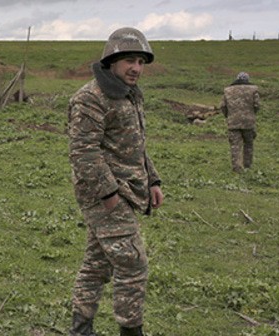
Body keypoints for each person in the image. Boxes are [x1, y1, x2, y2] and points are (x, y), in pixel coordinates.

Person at [67, 27, 164, 336]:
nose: (136, 68)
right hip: (104, 194)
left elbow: (136, 145)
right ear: (111, 61)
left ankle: (81, 329)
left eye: (141, 61)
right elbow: (83, 152)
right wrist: (109, 195)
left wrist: (153, 181)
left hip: (127, 190)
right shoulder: (90, 98)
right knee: (132, 263)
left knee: (97, 263)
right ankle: (131, 332)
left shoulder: (129, 94)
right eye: (129, 61)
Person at [220, 72, 260, 173]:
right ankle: (247, 165)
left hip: (233, 121)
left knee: (235, 145)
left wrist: (228, 116)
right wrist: (252, 114)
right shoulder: (253, 90)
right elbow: (257, 105)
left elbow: (223, 106)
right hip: (248, 122)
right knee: (248, 143)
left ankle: (236, 167)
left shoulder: (227, 90)